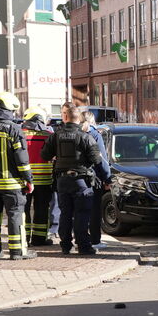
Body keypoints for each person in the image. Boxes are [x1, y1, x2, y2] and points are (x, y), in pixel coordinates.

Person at [0, 92, 36, 260]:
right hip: (11, 184)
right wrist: (28, 179)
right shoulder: (14, 129)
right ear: (10, 110)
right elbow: (22, 159)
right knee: (15, 215)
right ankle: (17, 252)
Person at [41, 102, 102, 255]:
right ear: (78, 119)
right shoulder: (85, 137)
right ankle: (83, 246)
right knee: (82, 214)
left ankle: (65, 245)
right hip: (81, 181)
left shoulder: (55, 136)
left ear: (66, 117)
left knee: (65, 214)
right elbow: (97, 160)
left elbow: (44, 155)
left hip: (62, 181)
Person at [21, 106, 55, 246]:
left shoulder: (19, 134)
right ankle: (39, 239)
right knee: (42, 209)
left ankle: (24, 238)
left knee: (24, 209)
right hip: (44, 179)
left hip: (24, 180)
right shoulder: (48, 135)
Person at [80, 109, 112, 248]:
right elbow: (101, 159)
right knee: (94, 212)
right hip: (94, 179)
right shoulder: (95, 135)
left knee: (80, 211)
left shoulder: (77, 133)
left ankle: (80, 240)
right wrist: (107, 178)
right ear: (93, 121)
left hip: (78, 178)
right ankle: (95, 241)